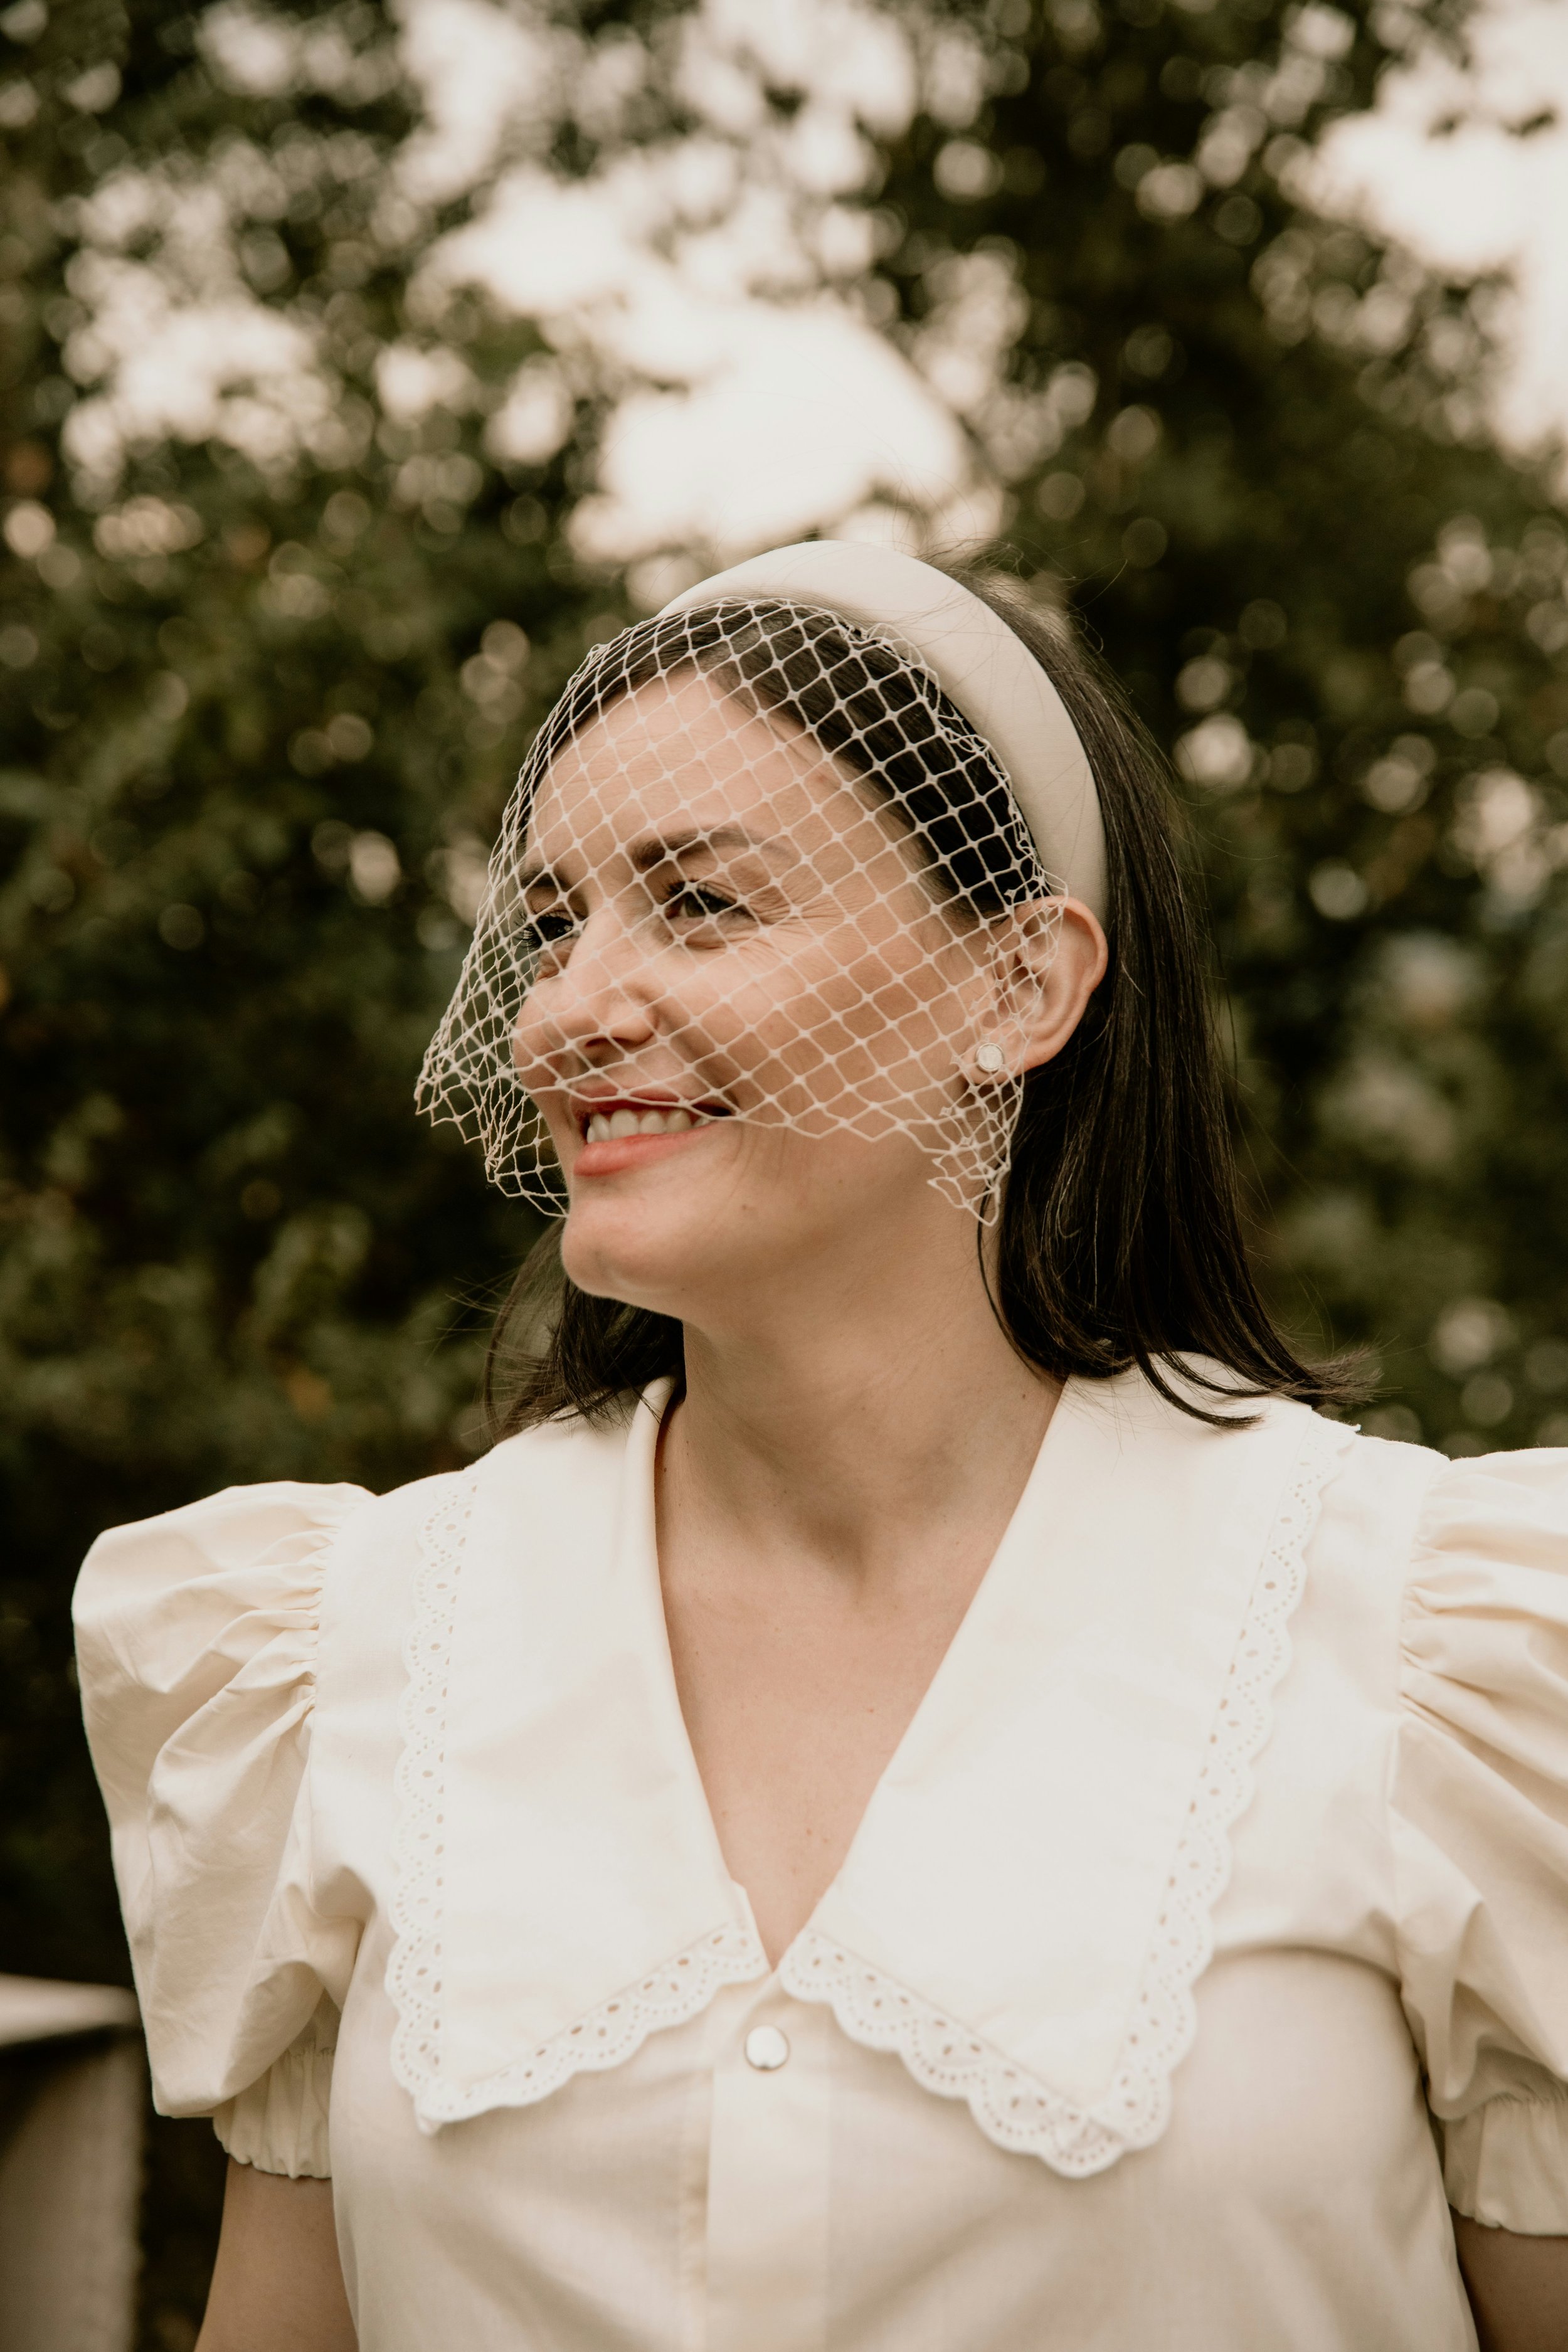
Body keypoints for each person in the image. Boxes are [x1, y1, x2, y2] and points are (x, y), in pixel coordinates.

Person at [76, 544, 1568, 2351]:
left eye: (696, 906)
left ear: (1019, 987)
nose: (570, 1007)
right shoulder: (343, 1648)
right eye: (552, 923)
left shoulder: (1443, 1655)